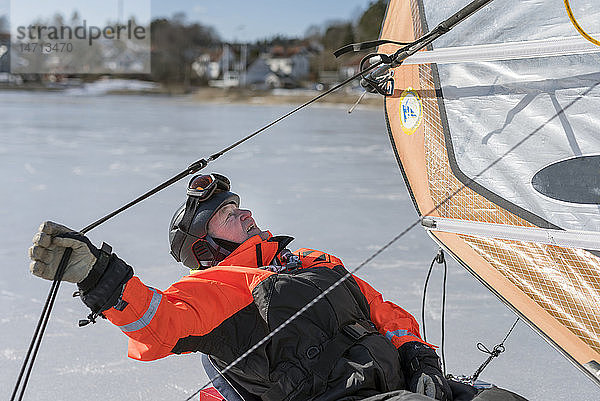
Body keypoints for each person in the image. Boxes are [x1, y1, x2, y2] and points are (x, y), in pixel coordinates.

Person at [29, 173, 453, 401]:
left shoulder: (310, 261)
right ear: (205, 246)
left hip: (401, 380)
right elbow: (159, 323)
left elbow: (381, 309)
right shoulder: (217, 285)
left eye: (238, 206)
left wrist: (417, 355)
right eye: (228, 215)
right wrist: (98, 276)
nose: (245, 213)